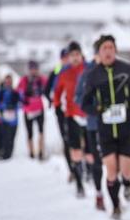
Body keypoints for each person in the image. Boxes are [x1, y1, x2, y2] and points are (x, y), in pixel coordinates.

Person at [81, 35, 130, 220]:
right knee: (111, 171)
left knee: (125, 171)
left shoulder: (127, 69)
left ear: (115, 50)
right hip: (105, 131)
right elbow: (84, 103)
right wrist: (97, 109)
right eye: (104, 48)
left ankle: (127, 183)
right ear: (99, 53)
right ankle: (116, 206)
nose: (108, 51)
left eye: (110, 47)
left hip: (125, 129)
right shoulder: (93, 75)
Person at [53, 42, 89, 198]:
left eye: (77, 55)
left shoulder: (90, 69)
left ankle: (91, 174)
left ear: (81, 55)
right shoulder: (63, 73)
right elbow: (56, 93)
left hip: (89, 114)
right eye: (71, 55)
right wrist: (57, 108)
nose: (74, 58)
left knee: (90, 151)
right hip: (71, 114)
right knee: (75, 150)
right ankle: (79, 183)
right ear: (68, 57)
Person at [75, 42, 105, 211]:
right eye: (101, 52)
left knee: (114, 161)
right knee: (96, 161)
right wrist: (92, 107)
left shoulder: (116, 72)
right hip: (93, 124)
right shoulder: (86, 75)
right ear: (95, 54)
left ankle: (115, 191)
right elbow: (77, 97)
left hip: (114, 124)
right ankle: (99, 193)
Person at [45, 48, 74, 181]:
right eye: (65, 58)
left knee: (79, 139)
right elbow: (46, 90)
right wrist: (53, 102)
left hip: (75, 109)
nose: (67, 60)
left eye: (69, 57)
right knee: (66, 139)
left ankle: (83, 168)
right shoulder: (56, 72)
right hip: (61, 111)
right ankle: (72, 170)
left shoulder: (76, 70)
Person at [18, 60, 48, 160]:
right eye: (32, 69)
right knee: (30, 133)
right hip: (28, 110)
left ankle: (40, 151)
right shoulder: (24, 80)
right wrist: (23, 100)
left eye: (35, 69)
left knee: (41, 131)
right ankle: (31, 152)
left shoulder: (41, 80)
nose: (33, 71)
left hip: (39, 109)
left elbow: (48, 85)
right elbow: (19, 91)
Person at [0, 75, 20, 159]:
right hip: (5, 120)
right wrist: (4, 107)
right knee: (6, 138)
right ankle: (5, 155)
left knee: (12, 138)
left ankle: (10, 155)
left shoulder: (15, 91)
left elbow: (20, 103)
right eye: (7, 81)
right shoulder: (1, 91)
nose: (9, 82)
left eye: (10, 81)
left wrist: (13, 107)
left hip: (14, 120)